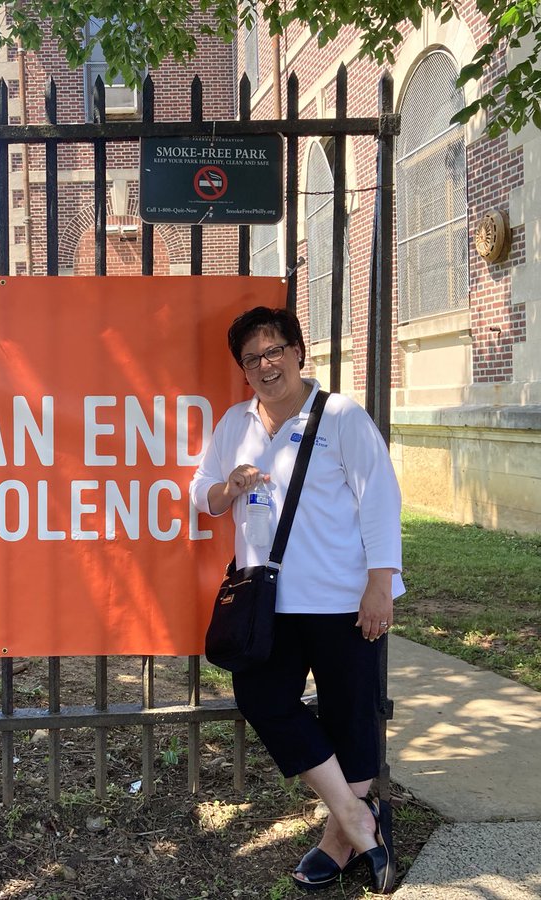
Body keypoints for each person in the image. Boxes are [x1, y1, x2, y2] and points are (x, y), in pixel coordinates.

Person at [189, 306, 403, 894]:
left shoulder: (341, 417)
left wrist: (380, 584)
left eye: (275, 350)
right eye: (252, 358)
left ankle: (338, 842)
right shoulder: (236, 422)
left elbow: (380, 500)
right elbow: (201, 495)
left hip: (341, 598)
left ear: (298, 351)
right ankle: (361, 819)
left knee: (349, 715)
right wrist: (225, 488)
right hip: (268, 602)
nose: (265, 365)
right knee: (261, 697)